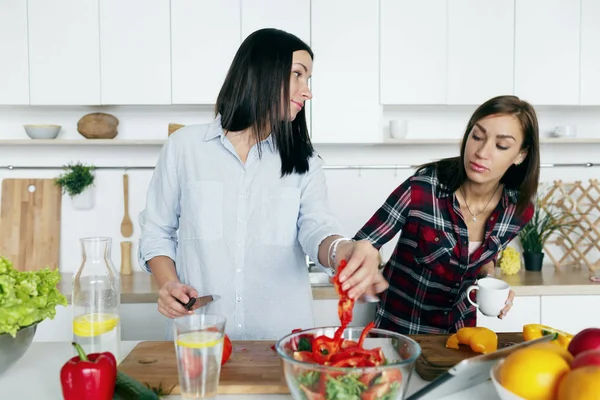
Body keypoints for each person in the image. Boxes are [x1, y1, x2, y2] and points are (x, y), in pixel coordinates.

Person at [138, 28, 387, 340]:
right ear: (262, 71)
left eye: (308, 79)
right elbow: (156, 232)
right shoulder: (183, 147)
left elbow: (317, 229)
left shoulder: (305, 162)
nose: (307, 91)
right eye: (298, 74)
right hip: (201, 340)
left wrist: (345, 250)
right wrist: (168, 284)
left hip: (282, 345)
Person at [352, 95, 540, 334]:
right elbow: (363, 244)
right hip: (401, 335)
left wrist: (490, 283)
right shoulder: (422, 189)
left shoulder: (518, 211)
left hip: (460, 337)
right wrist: (365, 264)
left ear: (521, 155)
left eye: (501, 145)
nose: (482, 151)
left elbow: (484, 257)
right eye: (477, 136)